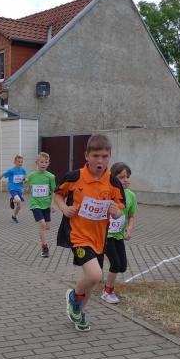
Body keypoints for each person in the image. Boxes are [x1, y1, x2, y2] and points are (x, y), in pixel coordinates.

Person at [54, 134, 124, 331]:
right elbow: (58, 194)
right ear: (86, 155)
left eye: (104, 156)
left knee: (92, 282)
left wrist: (116, 212)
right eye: (95, 156)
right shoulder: (74, 177)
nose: (100, 160)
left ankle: (79, 311)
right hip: (78, 235)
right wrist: (64, 208)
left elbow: (120, 211)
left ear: (110, 156)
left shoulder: (113, 183)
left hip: (99, 238)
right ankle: (73, 296)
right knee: (94, 274)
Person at [101, 163, 137, 304]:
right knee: (115, 264)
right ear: (113, 178)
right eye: (121, 177)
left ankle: (102, 256)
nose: (125, 180)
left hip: (119, 236)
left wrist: (129, 229)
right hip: (106, 236)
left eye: (127, 177)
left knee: (122, 266)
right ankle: (107, 292)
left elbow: (131, 216)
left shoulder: (131, 195)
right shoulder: (107, 193)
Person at [26, 152, 57, 257]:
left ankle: (44, 236)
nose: (43, 164)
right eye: (41, 162)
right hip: (35, 204)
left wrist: (53, 204)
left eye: (46, 162)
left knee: (47, 226)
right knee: (42, 224)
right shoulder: (31, 176)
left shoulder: (51, 177)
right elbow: (27, 186)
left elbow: (53, 191)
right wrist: (24, 189)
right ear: (37, 163)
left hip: (46, 204)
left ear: (48, 163)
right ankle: (44, 246)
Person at [0, 155, 27, 222]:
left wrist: (25, 184)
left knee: (19, 206)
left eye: (21, 162)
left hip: (19, 189)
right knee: (18, 200)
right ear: (15, 162)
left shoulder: (23, 170)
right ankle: (13, 199)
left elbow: (24, 179)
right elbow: (2, 175)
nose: (20, 163)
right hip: (12, 188)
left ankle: (14, 216)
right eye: (19, 162)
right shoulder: (11, 170)